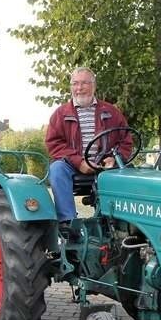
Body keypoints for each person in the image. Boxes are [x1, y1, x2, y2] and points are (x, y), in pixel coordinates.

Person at [45, 67, 133, 227]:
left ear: (93, 85)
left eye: (84, 83)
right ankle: (68, 223)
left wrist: (113, 158)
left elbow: (126, 140)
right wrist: (79, 162)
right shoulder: (60, 114)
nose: (79, 88)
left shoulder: (112, 112)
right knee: (57, 170)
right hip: (72, 165)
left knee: (131, 172)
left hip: (105, 165)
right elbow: (54, 144)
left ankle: (120, 221)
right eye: (75, 84)